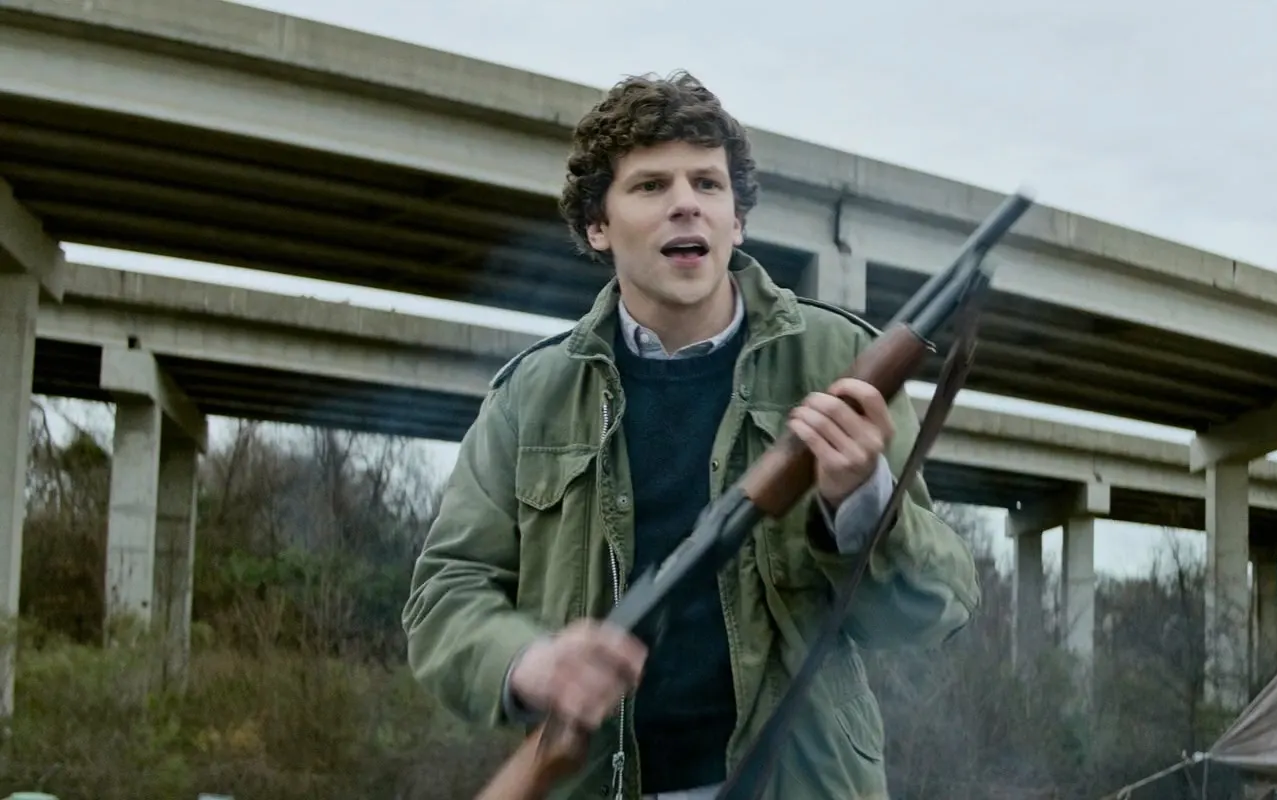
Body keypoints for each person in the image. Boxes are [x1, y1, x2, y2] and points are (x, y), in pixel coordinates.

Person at [401, 70, 982, 800]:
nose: (686, 204)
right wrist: (531, 663)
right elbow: (445, 597)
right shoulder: (530, 395)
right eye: (651, 186)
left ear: (736, 221)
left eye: (708, 184)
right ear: (597, 225)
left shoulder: (841, 362)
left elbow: (936, 611)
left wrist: (860, 501)